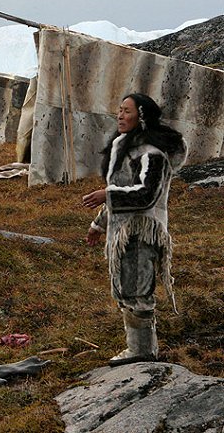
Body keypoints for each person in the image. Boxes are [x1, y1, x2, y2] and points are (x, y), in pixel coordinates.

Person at [82, 93, 187, 367]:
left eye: (126, 111)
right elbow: (124, 188)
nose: (120, 115)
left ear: (141, 116)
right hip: (125, 232)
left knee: (138, 289)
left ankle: (142, 351)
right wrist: (99, 224)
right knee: (125, 287)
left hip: (142, 232)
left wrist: (107, 195)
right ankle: (138, 347)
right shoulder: (125, 149)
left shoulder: (152, 155)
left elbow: (146, 195)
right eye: (119, 110)